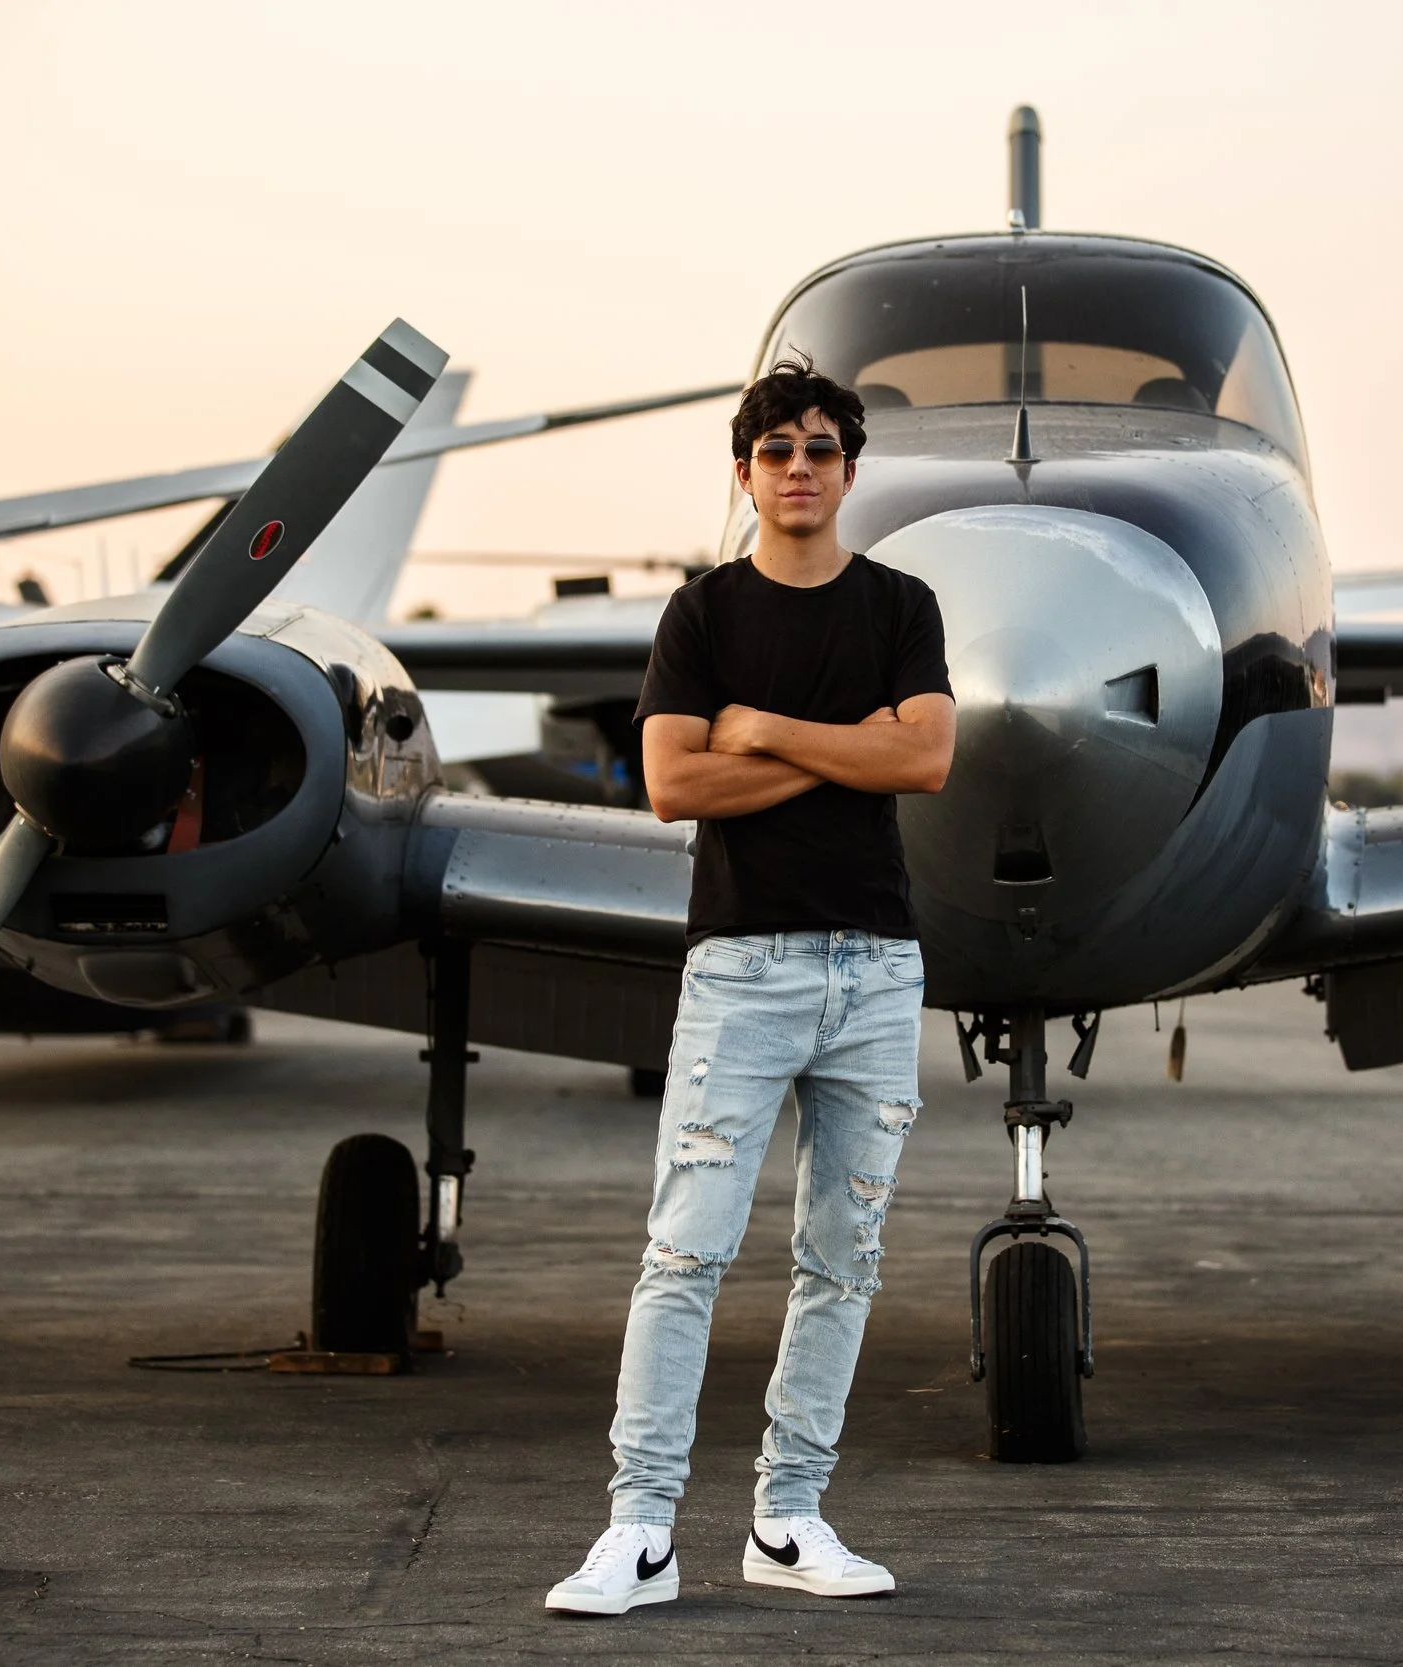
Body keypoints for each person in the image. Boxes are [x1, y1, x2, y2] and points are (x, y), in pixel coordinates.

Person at [546, 360, 956, 1616]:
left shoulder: (900, 603)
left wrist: (764, 731)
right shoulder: (702, 615)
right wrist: (852, 755)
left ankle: (787, 1518)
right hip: (743, 966)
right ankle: (641, 1531)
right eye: (775, 449)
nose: (797, 468)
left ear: (848, 471)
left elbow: (928, 756)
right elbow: (674, 785)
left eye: (820, 449)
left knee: (844, 1258)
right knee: (685, 1251)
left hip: (877, 968)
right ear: (744, 473)